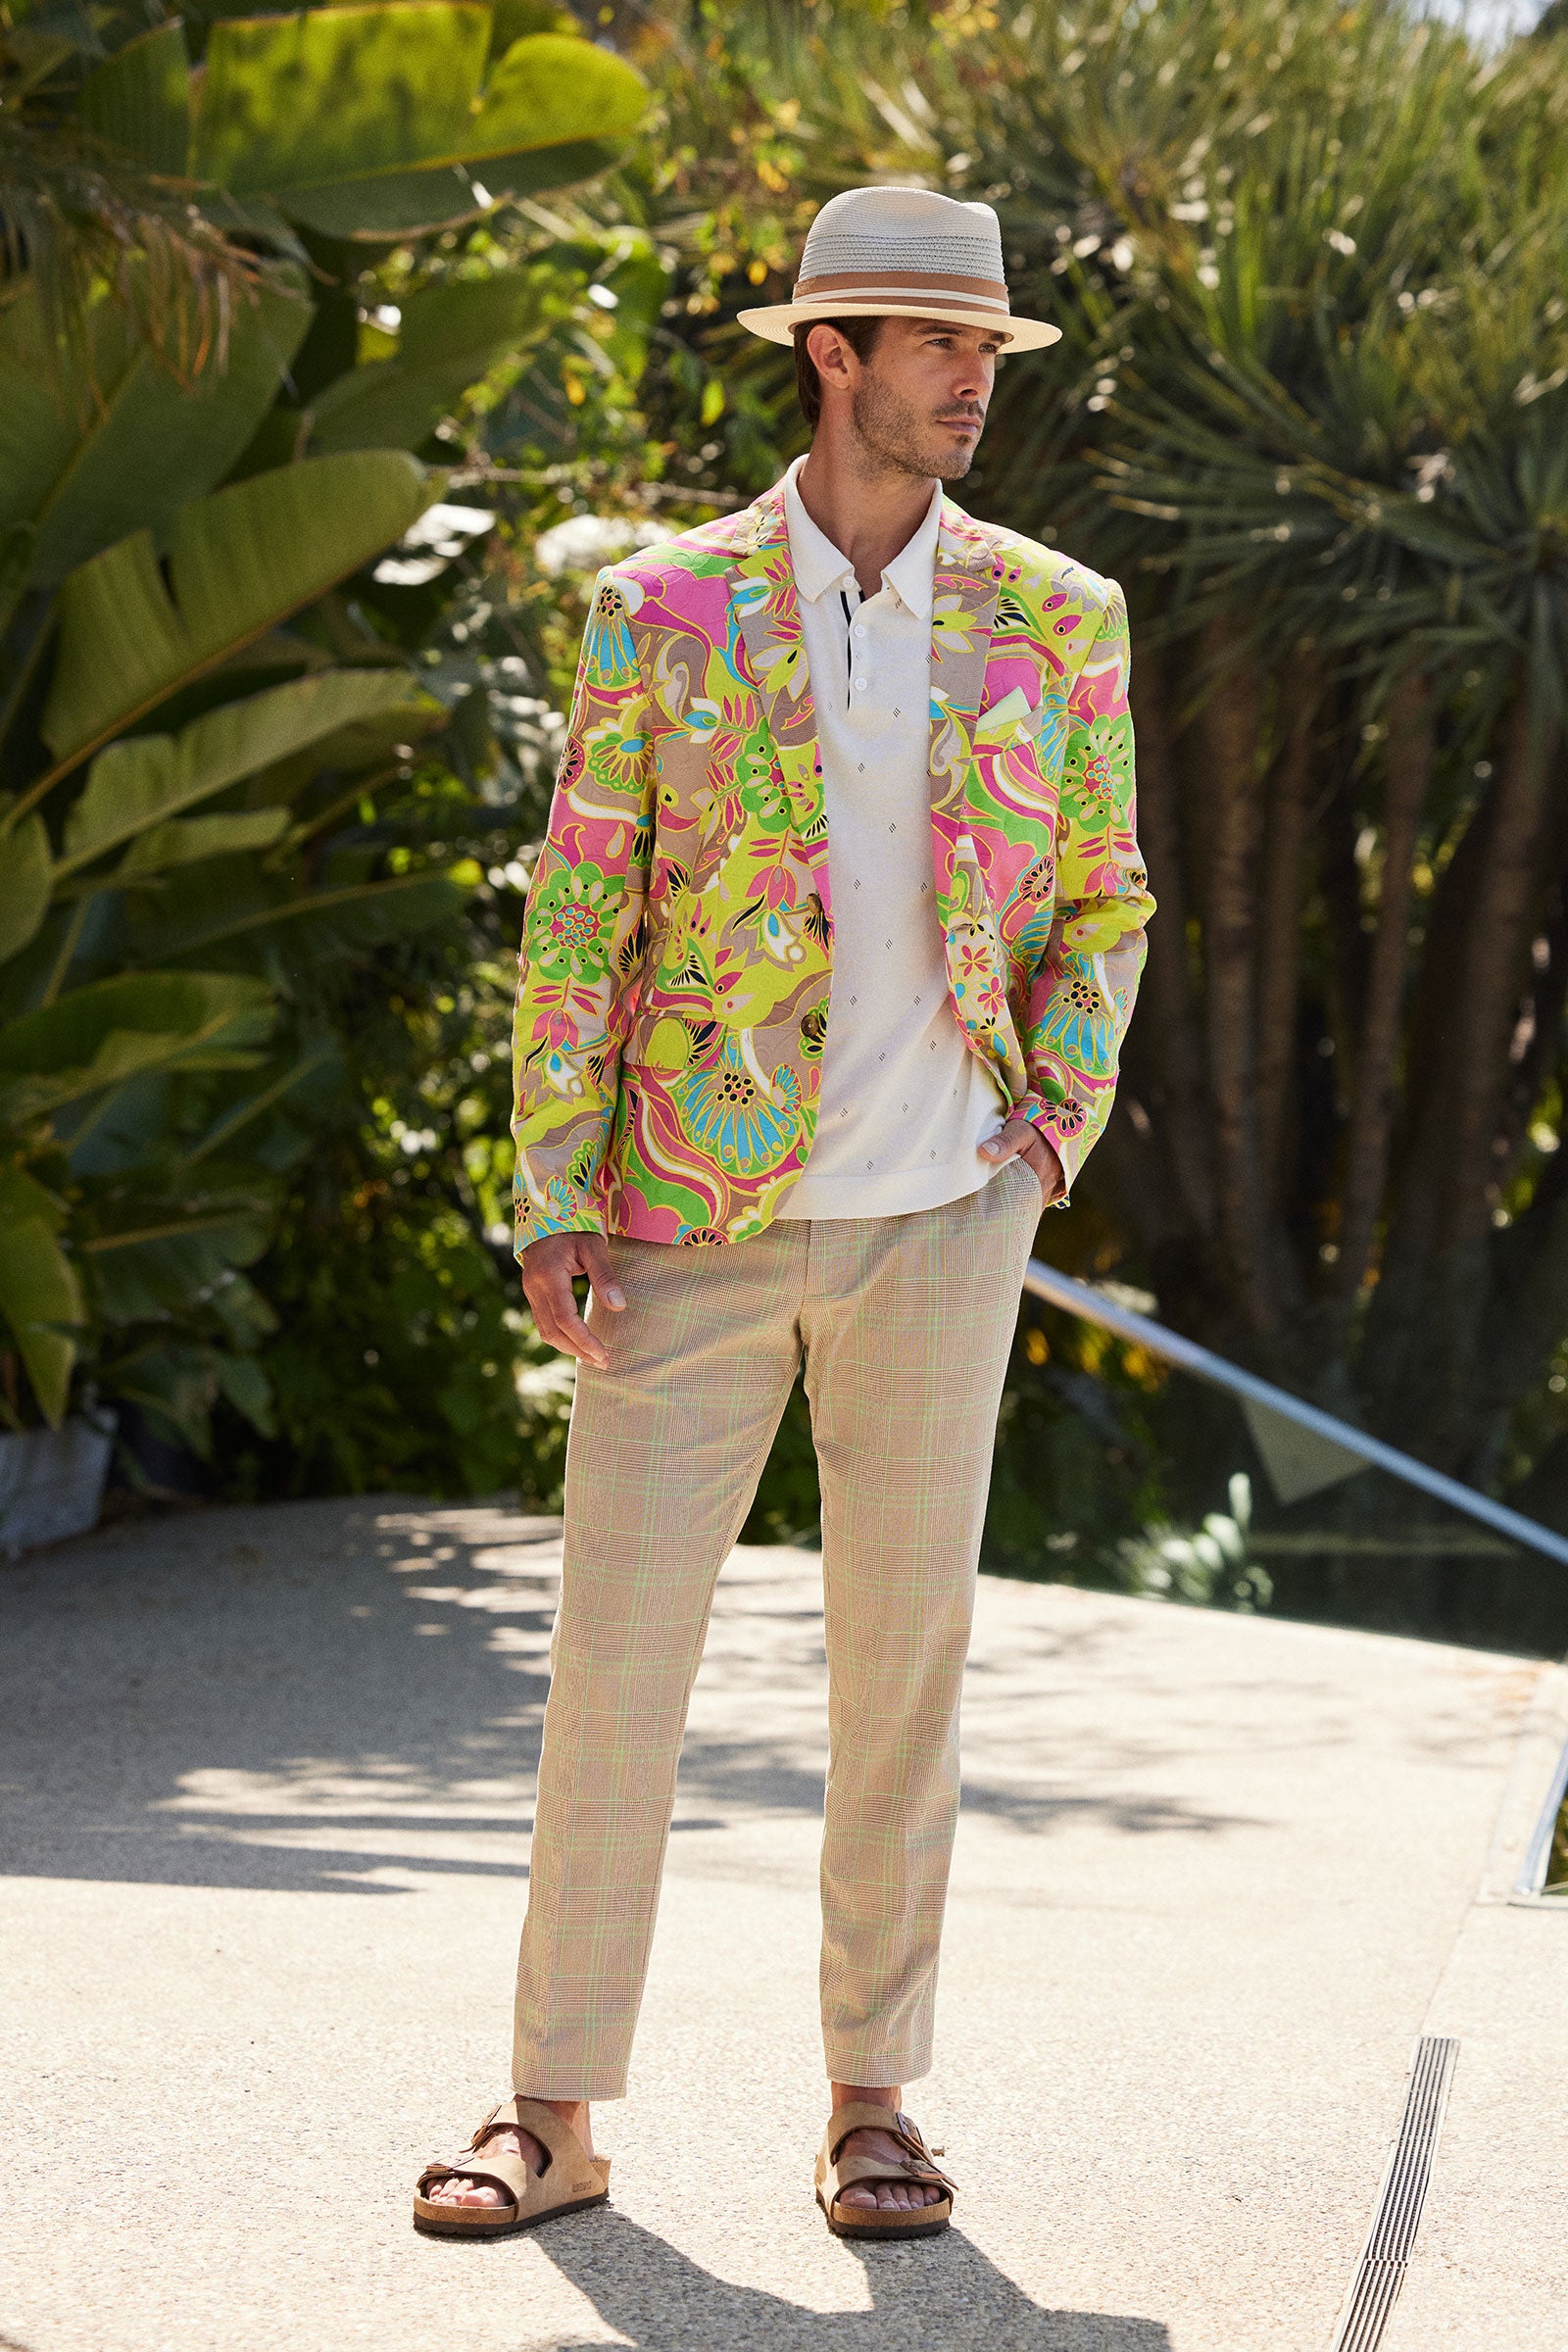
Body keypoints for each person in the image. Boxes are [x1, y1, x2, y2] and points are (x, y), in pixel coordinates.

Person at [414, 183, 1153, 2244]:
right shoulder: (659, 608)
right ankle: (550, 2110)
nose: (968, 390)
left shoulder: (1057, 616)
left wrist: (1045, 1127)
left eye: (986, 358)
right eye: (937, 353)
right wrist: (554, 1184)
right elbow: (581, 908)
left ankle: (870, 2107)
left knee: (896, 1668)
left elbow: (1103, 896)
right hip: (685, 1220)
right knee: (614, 1667)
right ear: (831, 355)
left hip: (940, 1211)